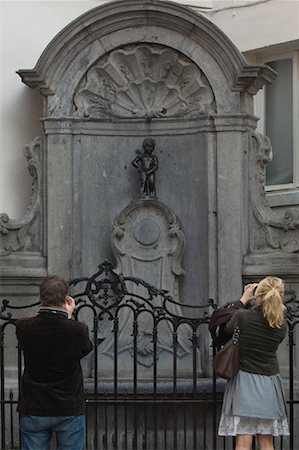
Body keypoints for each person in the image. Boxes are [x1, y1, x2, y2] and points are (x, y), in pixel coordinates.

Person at [16, 275, 93, 450]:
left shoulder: (23, 327)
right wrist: (68, 316)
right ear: (66, 299)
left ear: (40, 297)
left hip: (34, 406)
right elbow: (85, 349)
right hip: (68, 407)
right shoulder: (77, 330)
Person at [218, 277, 289, 450]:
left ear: (259, 295)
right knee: (266, 442)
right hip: (270, 383)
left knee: (243, 441)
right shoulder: (281, 324)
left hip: (244, 382)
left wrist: (244, 298)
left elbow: (223, 327)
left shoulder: (243, 316)